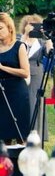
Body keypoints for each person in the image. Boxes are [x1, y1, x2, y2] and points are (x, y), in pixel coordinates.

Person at [0, 12, 31, 144]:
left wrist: (2, 67)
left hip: (17, 93)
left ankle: (21, 162)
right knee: (3, 134)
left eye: (0, 28)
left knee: (20, 134)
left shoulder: (19, 46)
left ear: (9, 28)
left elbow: (25, 72)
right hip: (1, 93)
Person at [18, 14, 49, 139]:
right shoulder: (19, 39)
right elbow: (17, 51)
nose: (32, 27)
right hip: (21, 74)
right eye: (29, 24)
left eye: (35, 24)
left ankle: (37, 134)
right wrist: (25, 35)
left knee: (35, 102)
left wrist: (47, 36)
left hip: (37, 75)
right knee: (22, 102)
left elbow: (49, 52)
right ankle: (21, 134)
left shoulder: (41, 41)